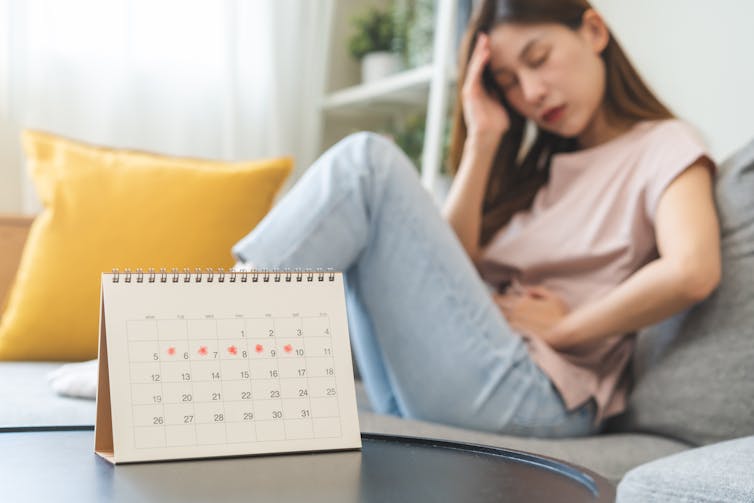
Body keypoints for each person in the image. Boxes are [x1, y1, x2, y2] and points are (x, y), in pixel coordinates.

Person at [231, 0, 720, 438]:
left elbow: (692, 270)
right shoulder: (538, 172)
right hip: (473, 367)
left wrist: (566, 328)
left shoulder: (664, 144)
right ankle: (223, 341)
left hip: (542, 390)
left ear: (593, 31)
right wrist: (483, 140)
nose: (531, 92)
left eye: (538, 59)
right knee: (365, 189)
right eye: (508, 82)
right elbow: (447, 272)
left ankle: (210, 324)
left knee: (367, 162)